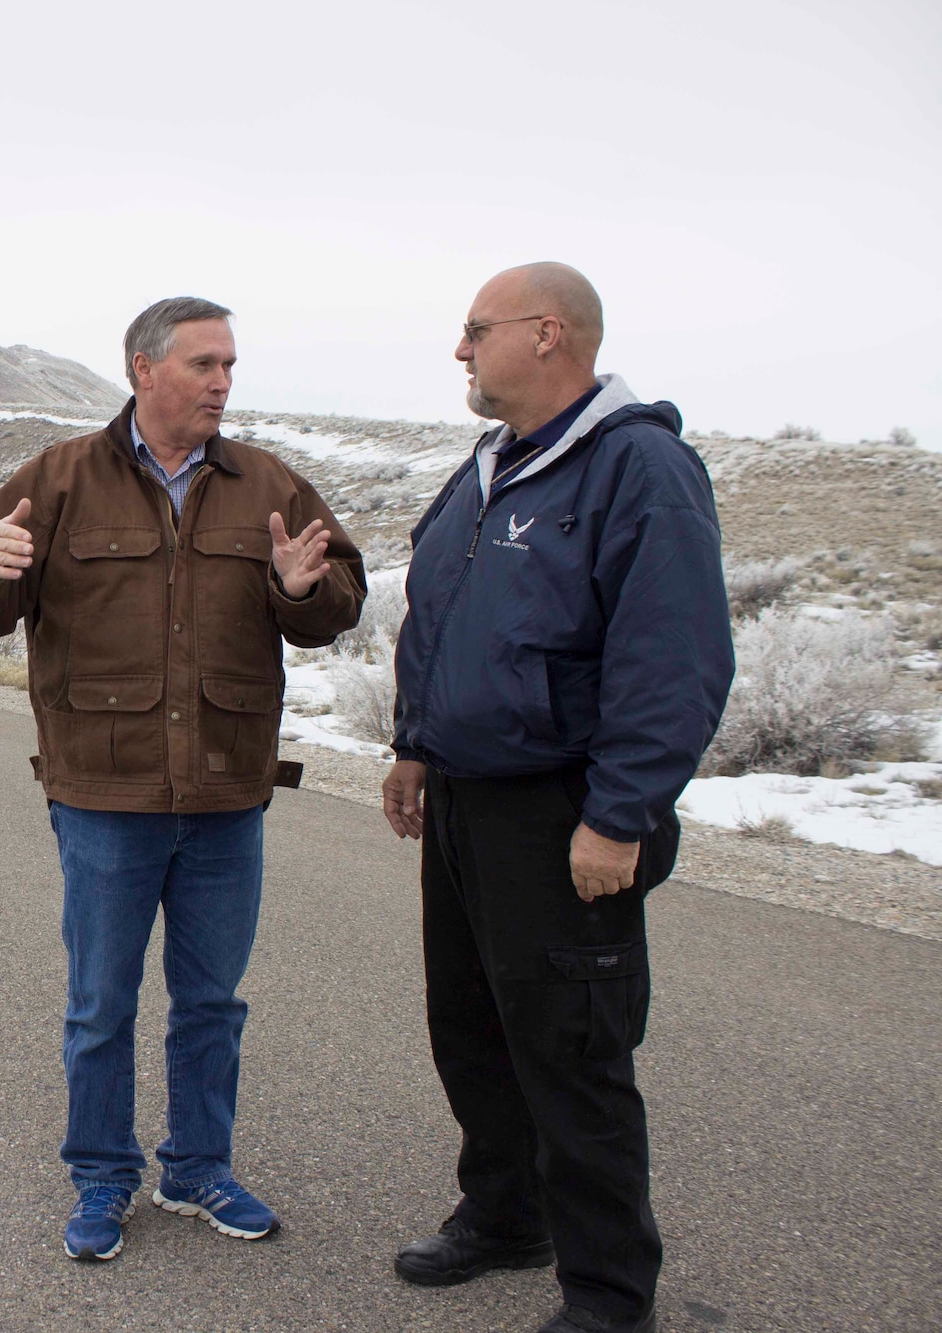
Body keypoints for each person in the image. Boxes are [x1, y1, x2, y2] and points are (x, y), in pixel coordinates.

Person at [0, 297, 366, 1261]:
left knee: (212, 1000)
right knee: (101, 1001)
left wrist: (304, 587)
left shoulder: (268, 481)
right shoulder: (59, 477)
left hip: (226, 793)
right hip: (103, 795)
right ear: (143, 368)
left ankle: (199, 1166)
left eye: (229, 366)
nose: (222, 382)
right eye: (204, 364)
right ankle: (100, 1173)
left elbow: (338, 598)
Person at [382, 263, 733, 1333]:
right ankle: (503, 1215)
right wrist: (414, 746)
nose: (457, 350)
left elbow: (671, 658)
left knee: (571, 1051)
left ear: (546, 334)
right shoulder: (490, 466)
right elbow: (438, 617)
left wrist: (618, 811)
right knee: (473, 1024)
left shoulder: (636, 467)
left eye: (472, 329)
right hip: (464, 802)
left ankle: (609, 1294)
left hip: (563, 809)